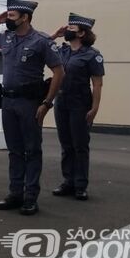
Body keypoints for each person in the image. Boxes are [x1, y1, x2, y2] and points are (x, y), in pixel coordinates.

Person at [0, 0, 64, 216]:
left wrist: (47, 103)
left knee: (32, 150)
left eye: (11, 16)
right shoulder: (6, 38)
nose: (8, 19)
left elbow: (58, 72)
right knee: (15, 151)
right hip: (8, 102)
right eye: (7, 15)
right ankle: (15, 193)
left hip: (30, 103)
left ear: (25, 17)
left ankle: (30, 197)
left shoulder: (41, 41)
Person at [49, 13, 104, 201]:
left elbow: (97, 84)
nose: (67, 30)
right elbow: (40, 47)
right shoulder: (62, 51)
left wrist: (95, 108)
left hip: (80, 103)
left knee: (79, 145)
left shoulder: (92, 55)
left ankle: (80, 185)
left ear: (81, 33)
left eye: (71, 29)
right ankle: (68, 182)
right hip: (61, 102)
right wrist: (54, 35)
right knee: (66, 144)